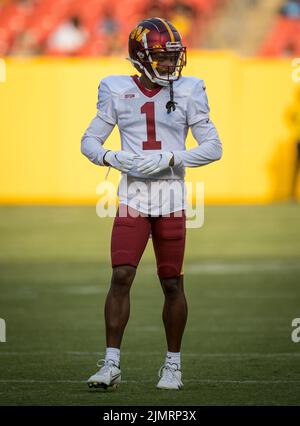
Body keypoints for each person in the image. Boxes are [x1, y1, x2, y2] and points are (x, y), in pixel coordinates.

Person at [81, 17, 222, 391]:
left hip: (172, 198)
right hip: (133, 198)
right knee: (121, 275)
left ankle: (172, 366)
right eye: (161, 57)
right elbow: (89, 142)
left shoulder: (190, 89)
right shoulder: (115, 89)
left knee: (172, 282)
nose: (169, 65)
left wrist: (171, 158)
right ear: (140, 56)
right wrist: (115, 158)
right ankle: (111, 364)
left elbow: (214, 148)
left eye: (172, 57)